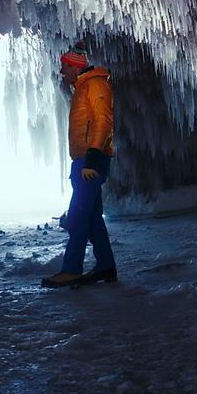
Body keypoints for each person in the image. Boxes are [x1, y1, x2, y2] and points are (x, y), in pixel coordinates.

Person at [42, 47, 118, 287]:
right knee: (92, 217)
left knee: (77, 216)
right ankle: (106, 266)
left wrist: (92, 160)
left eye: (64, 67)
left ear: (75, 66)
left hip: (90, 161)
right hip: (83, 161)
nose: (62, 71)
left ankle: (72, 269)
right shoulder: (82, 87)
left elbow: (103, 121)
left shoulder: (95, 84)